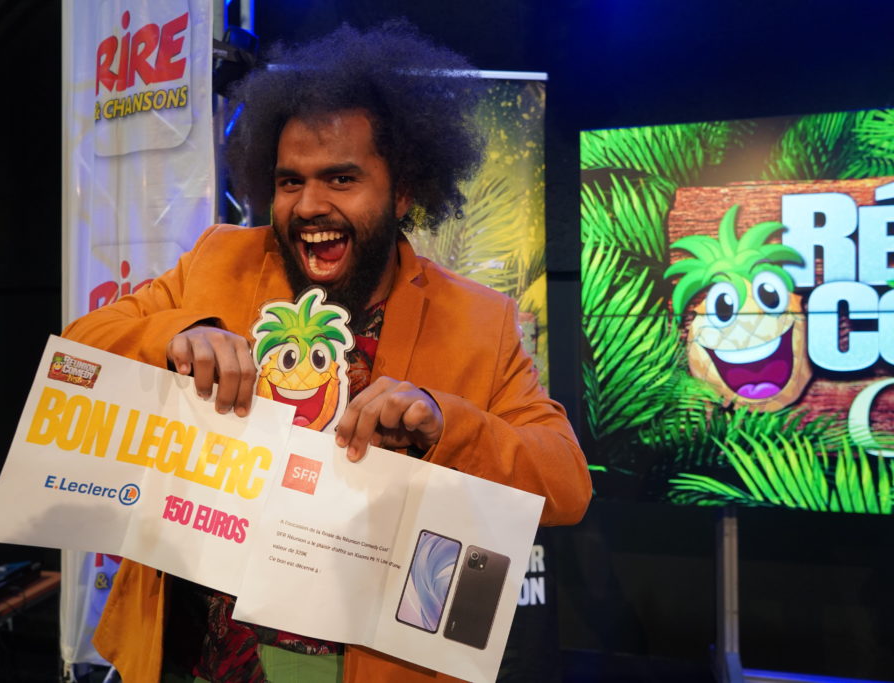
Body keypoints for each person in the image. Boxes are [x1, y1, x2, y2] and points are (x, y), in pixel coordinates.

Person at [63, 20, 591, 683]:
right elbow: (79, 349)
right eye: (290, 182)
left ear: (403, 189)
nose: (309, 205)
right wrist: (174, 333)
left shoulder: (479, 321)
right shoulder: (219, 260)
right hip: (195, 659)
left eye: (341, 179)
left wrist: (443, 424)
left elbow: (566, 485)